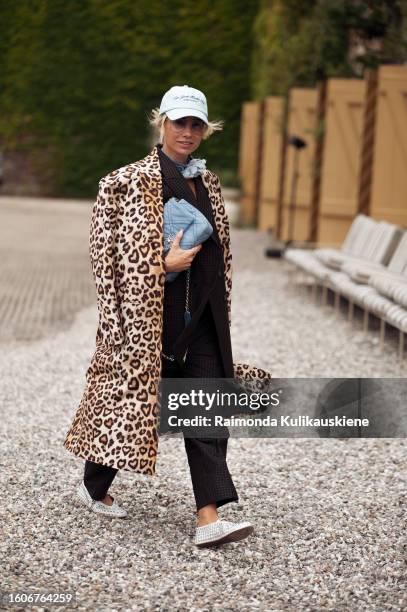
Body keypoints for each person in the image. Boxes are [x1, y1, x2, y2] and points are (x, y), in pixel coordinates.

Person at [63, 85, 271, 547]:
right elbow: (105, 259)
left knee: (206, 410)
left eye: (197, 124)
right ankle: (95, 483)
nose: (188, 132)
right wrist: (162, 266)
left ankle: (208, 518)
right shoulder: (123, 181)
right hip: (147, 317)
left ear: (205, 130)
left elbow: (220, 255)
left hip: (202, 317)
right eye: (180, 122)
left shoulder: (209, 183)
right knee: (129, 403)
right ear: (163, 123)